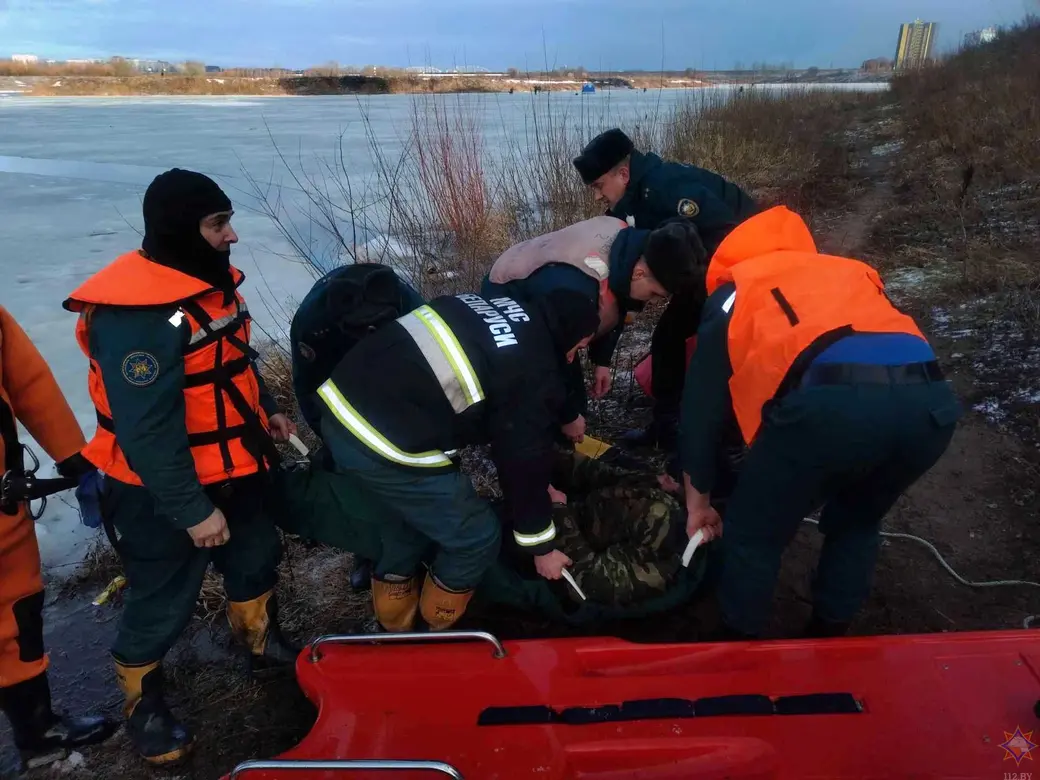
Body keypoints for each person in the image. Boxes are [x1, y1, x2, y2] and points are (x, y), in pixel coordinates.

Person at [63, 169, 299, 766]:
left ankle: (260, 644)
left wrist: (268, 407)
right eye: (218, 224)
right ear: (181, 230)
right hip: (158, 490)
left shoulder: (206, 283)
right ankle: (144, 706)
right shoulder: (138, 317)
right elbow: (145, 431)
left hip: (235, 465)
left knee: (254, 557)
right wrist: (192, 510)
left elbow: (232, 359)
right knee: (163, 597)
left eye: (228, 221)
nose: (232, 236)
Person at [678, 205, 961, 641]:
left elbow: (701, 409)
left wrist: (697, 503)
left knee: (753, 533)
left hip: (830, 407)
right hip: (930, 406)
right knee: (859, 520)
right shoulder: (849, 272)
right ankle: (831, 633)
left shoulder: (736, 290)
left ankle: (739, 644)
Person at [315, 288, 600, 632]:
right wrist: (542, 547)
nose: (571, 359)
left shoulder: (491, 305)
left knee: (414, 521)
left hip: (341, 405)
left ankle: (393, 624)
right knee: (475, 536)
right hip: (382, 441)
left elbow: (501, 389)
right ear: (567, 334)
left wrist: (557, 439)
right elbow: (521, 459)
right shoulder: (531, 368)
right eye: (578, 347)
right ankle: (434, 629)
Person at [573, 128, 759, 451]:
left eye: (599, 186)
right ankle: (669, 427)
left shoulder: (665, 190)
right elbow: (624, 284)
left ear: (623, 174)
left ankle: (692, 435)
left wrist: (689, 286)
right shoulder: (628, 207)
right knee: (668, 342)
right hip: (705, 270)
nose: (597, 197)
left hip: (744, 265)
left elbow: (728, 233)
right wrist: (602, 357)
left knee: (687, 343)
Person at [0, 305, 119, 770]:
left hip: (6, 510)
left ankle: (38, 731)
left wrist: (72, 455)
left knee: (19, 615)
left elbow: (27, 380)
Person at [481, 217, 702, 444]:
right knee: (534, 398)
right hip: (508, 295)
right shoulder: (575, 292)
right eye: (655, 294)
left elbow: (617, 298)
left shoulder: (628, 248)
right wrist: (568, 416)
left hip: (553, 290)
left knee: (570, 393)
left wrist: (602, 360)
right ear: (639, 273)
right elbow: (549, 358)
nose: (653, 302)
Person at [290, 262, 425, 591]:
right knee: (354, 465)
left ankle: (424, 534)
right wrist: (336, 442)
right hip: (340, 375)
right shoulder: (313, 326)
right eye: (361, 328)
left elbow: (431, 372)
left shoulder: (414, 310)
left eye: (376, 326)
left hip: (398, 371)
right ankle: (368, 550)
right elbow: (311, 393)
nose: (369, 334)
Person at [546, 449, 684, 607]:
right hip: (570, 515)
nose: (663, 477)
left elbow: (588, 584)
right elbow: (608, 476)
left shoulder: (661, 539)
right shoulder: (658, 487)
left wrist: (559, 510)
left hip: (559, 553)